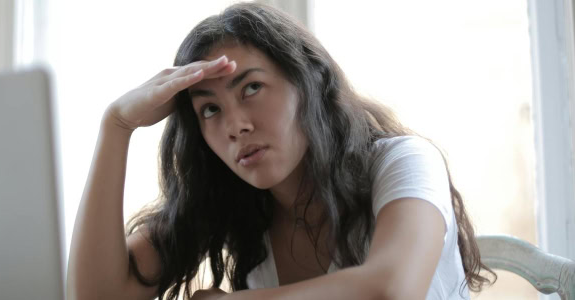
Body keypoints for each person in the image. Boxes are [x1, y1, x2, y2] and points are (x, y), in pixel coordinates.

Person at [67, 3, 496, 300]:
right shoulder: (231, 201)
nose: (236, 125)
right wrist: (116, 126)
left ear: (308, 81)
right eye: (210, 109)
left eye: (251, 87)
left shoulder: (404, 162)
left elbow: (392, 289)